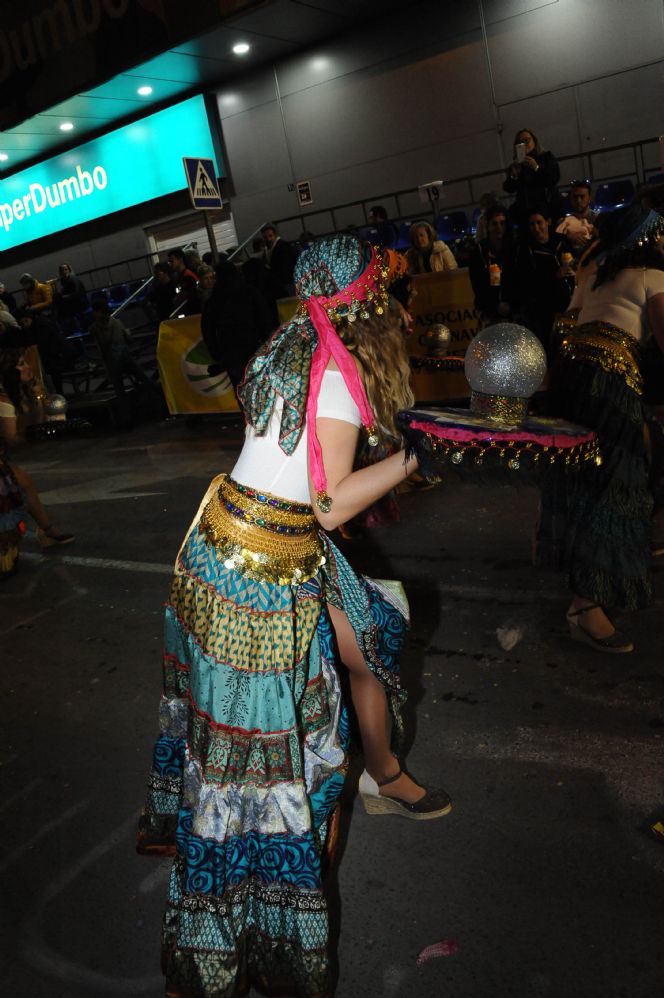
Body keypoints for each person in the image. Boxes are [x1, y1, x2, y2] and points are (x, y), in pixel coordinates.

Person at [137, 234, 452, 998]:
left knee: (369, 636)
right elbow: (329, 501)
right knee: (267, 774)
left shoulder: (290, 337)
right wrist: (418, 454)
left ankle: (382, 772)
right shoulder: (340, 377)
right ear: (367, 303)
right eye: (388, 293)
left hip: (224, 543)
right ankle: (238, 938)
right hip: (261, 575)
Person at [547, 204, 664, 652]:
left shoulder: (593, 270)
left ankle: (598, 579)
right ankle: (585, 605)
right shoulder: (653, 277)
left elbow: (565, 327)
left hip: (573, 378)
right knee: (613, 486)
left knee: (592, 480)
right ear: (645, 240)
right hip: (609, 384)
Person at [0, 349, 74, 556]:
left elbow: (35, 425)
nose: (27, 367)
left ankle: (47, 530)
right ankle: (47, 530)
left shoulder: (19, 393)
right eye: (21, 364)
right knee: (21, 483)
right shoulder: (3, 400)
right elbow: (13, 438)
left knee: (24, 482)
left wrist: (38, 397)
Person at [201, 257, 273, 390]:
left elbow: (208, 328)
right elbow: (264, 316)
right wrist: (266, 340)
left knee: (241, 389)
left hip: (230, 350)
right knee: (262, 387)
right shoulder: (249, 291)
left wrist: (216, 352)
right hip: (254, 345)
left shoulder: (215, 299)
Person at [514, 207, 574, 356]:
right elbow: (527, 283)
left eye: (539, 222)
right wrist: (554, 276)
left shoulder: (562, 241)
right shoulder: (526, 251)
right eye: (532, 224)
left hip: (571, 304)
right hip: (546, 312)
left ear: (548, 222)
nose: (536, 228)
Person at [87, 294, 155, 398]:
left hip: (112, 361)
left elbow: (102, 347)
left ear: (98, 311)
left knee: (119, 390)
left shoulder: (94, 329)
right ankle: (156, 395)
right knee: (143, 378)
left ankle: (125, 410)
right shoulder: (117, 322)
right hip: (125, 356)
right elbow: (128, 338)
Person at [468, 204, 517, 327]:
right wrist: (495, 305)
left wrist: (510, 304)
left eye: (502, 223)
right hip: (489, 310)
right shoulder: (479, 252)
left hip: (514, 309)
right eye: (494, 223)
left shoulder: (515, 248)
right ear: (488, 226)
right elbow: (478, 285)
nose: (499, 227)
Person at [503, 128, 561, 231]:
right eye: (520, 143)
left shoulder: (546, 157)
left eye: (527, 140)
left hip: (546, 211)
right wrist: (514, 175)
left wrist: (536, 168)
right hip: (525, 214)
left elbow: (554, 178)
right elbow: (508, 188)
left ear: (534, 141)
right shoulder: (516, 166)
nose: (524, 145)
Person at [556, 179, 599, 256]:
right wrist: (568, 237)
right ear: (571, 198)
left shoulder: (598, 219)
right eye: (575, 197)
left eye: (582, 196)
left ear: (589, 198)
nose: (578, 200)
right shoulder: (564, 222)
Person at [54, 263, 89, 330]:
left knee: (61, 309)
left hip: (80, 302)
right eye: (62, 270)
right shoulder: (65, 281)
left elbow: (77, 293)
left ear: (69, 270)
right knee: (57, 300)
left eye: (66, 269)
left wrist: (64, 297)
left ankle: (68, 326)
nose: (64, 272)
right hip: (73, 302)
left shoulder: (73, 279)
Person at [167, 248, 201, 315]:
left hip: (195, 311)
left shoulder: (188, 275)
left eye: (171, 261)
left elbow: (189, 296)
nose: (170, 264)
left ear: (180, 259)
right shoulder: (180, 276)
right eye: (169, 262)